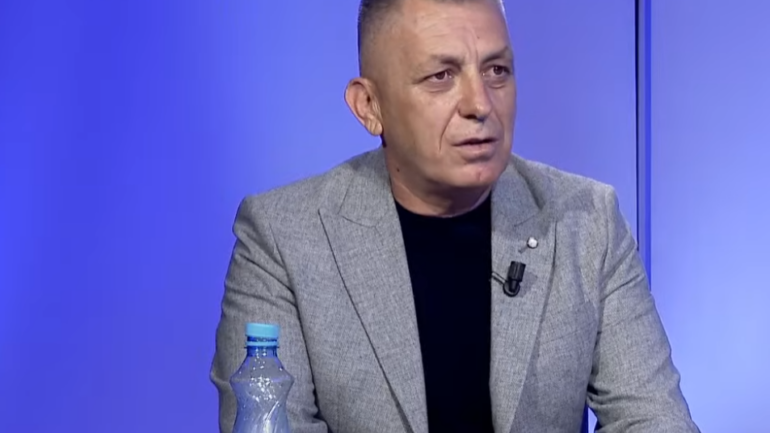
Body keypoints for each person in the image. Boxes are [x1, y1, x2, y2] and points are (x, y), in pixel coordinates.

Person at [211, 0, 700, 432]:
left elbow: (653, 418)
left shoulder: (587, 220)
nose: (480, 104)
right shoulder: (282, 238)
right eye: (441, 76)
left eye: (497, 71)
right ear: (370, 106)